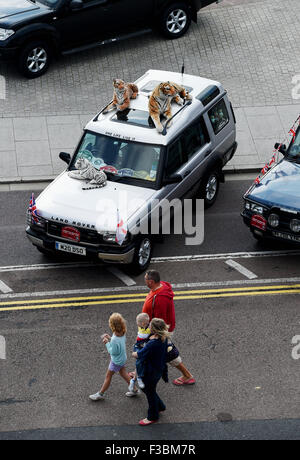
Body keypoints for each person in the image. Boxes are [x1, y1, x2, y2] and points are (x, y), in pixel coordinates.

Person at [142, 270, 195, 386]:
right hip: (156, 328)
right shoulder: (162, 287)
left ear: (151, 282)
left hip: (160, 331)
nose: (144, 281)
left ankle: (187, 375)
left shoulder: (160, 298)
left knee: (169, 354)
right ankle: (141, 371)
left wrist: (155, 333)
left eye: (145, 279)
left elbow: (160, 321)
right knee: (151, 351)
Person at [89, 313, 139, 401]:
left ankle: (101, 393)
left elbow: (113, 351)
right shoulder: (122, 332)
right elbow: (118, 343)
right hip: (122, 358)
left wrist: (107, 343)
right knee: (123, 373)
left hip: (116, 361)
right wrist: (111, 338)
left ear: (112, 325)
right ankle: (134, 389)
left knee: (108, 376)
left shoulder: (115, 338)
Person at [132, 318, 169, 425]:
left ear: (155, 329)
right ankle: (160, 406)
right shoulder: (163, 337)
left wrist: (133, 352)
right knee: (150, 390)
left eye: (150, 326)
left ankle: (153, 416)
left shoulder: (153, 343)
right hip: (158, 369)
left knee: (148, 391)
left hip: (150, 372)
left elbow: (138, 355)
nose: (148, 326)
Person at [128, 312, 151, 391]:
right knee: (139, 362)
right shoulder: (141, 326)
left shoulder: (150, 328)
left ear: (143, 323)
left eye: (138, 322)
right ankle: (138, 378)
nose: (137, 324)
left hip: (144, 347)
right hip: (138, 346)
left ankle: (134, 380)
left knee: (140, 362)